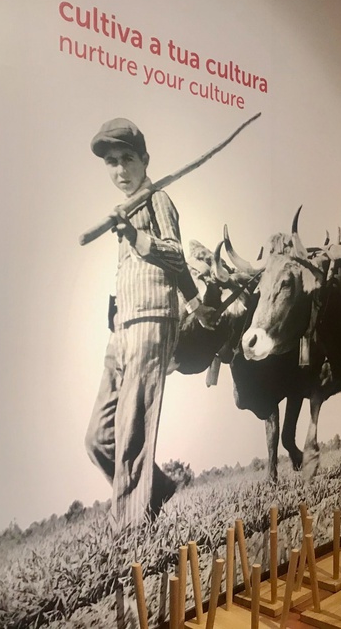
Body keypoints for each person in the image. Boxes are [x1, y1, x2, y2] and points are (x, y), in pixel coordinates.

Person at [84, 118, 215, 529]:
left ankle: (130, 531)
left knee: (132, 428)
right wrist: (196, 302)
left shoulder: (158, 200)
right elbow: (175, 271)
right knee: (99, 437)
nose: (120, 170)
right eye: (111, 162)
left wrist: (136, 237)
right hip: (122, 325)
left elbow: (175, 254)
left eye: (127, 159)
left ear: (145, 160)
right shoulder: (126, 208)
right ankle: (155, 489)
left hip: (152, 318)